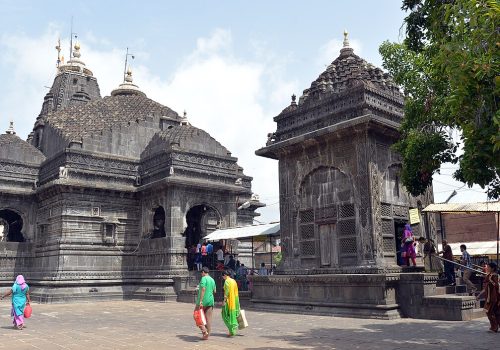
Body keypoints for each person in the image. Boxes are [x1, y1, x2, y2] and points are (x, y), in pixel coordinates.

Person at [476, 262, 500, 332]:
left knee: (489, 312)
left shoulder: (494, 276)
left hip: (493, 297)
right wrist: (479, 295)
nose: (487, 268)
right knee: (495, 312)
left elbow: (497, 286)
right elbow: (485, 287)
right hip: (489, 297)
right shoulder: (489, 275)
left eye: (488, 267)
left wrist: (491, 281)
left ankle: (494, 327)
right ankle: (495, 326)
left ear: (492, 268)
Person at [195, 267, 216, 340]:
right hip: (211, 300)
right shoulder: (212, 279)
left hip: (203, 301)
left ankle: (204, 332)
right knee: (208, 318)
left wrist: (201, 300)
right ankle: (207, 334)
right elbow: (214, 291)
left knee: (197, 315)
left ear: (203, 272)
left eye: (201, 273)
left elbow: (203, 289)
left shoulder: (204, 278)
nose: (201, 274)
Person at [221, 270, 240, 337]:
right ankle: (232, 330)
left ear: (225, 275)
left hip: (229, 301)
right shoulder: (233, 281)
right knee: (232, 315)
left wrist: (224, 301)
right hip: (234, 301)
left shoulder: (227, 281)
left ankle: (231, 330)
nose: (222, 277)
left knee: (225, 315)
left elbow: (226, 292)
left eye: (223, 276)